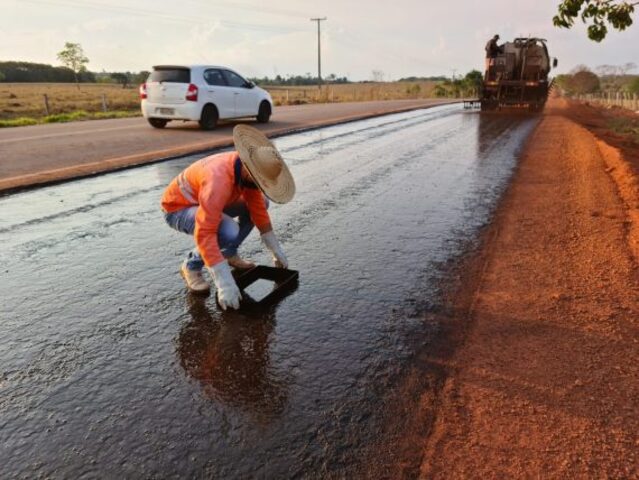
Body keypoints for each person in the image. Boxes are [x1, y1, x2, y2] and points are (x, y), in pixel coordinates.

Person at [161, 124, 295, 310]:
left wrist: (274, 247)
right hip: (179, 208)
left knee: (262, 203)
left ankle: (229, 252)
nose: (262, 185)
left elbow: (258, 209)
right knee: (228, 230)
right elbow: (205, 232)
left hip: (206, 201)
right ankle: (191, 265)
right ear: (253, 172)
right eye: (261, 182)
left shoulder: (246, 169)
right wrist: (223, 281)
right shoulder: (219, 181)